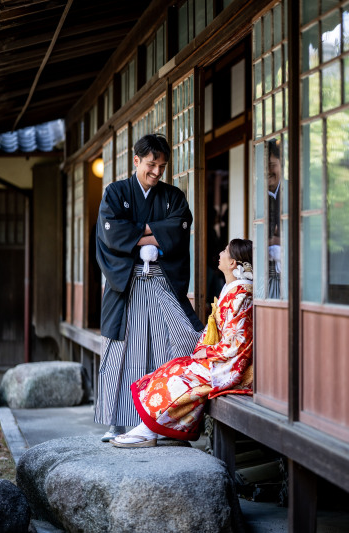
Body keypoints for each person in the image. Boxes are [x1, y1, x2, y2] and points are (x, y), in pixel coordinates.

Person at [95, 133, 205, 441]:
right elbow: (111, 235)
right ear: (136, 161)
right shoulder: (116, 193)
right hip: (126, 284)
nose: (157, 172)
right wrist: (155, 231)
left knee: (177, 344)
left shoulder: (173, 197)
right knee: (121, 352)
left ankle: (165, 422)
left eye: (162, 166)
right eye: (151, 164)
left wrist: (137, 232)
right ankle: (118, 422)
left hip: (162, 281)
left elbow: (179, 231)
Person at [112, 239, 254, 447]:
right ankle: (160, 427)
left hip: (233, 366)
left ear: (233, 263)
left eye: (225, 251)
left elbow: (237, 342)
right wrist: (205, 350)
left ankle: (149, 430)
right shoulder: (233, 291)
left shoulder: (242, 296)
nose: (220, 254)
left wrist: (208, 353)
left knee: (182, 378)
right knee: (175, 367)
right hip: (223, 357)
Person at [266, 138, 282, 299]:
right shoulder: (259, 195)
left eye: (271, 165)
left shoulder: (293, 191)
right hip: (265, 273)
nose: (268, 171)